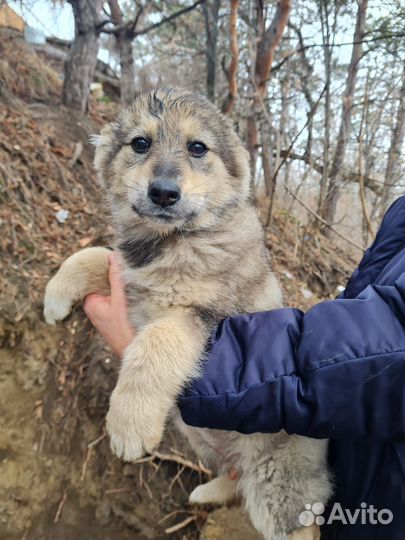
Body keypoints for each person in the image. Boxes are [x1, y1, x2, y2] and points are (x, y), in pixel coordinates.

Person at [84, 196, 405, 540]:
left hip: (383, 515)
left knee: (298, 510)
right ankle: (246, 478)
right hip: (361, 467)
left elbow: (387, 343)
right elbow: (361, 310)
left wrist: (165, 363)